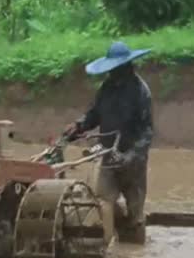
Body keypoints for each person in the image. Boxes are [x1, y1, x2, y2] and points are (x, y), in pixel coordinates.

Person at [64, 41, 154, 244]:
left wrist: (130, 156)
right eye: (110, 70)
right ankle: (108, 248)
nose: (112, 74)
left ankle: (136, 256)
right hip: (107, 155)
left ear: (127, 67)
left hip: (133, 162)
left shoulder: (141, 92)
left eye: (116, 69)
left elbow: (147, 132)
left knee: (136, 215)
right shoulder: (106, 88)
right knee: (103, 202)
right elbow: (95, 114)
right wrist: (78, 127)